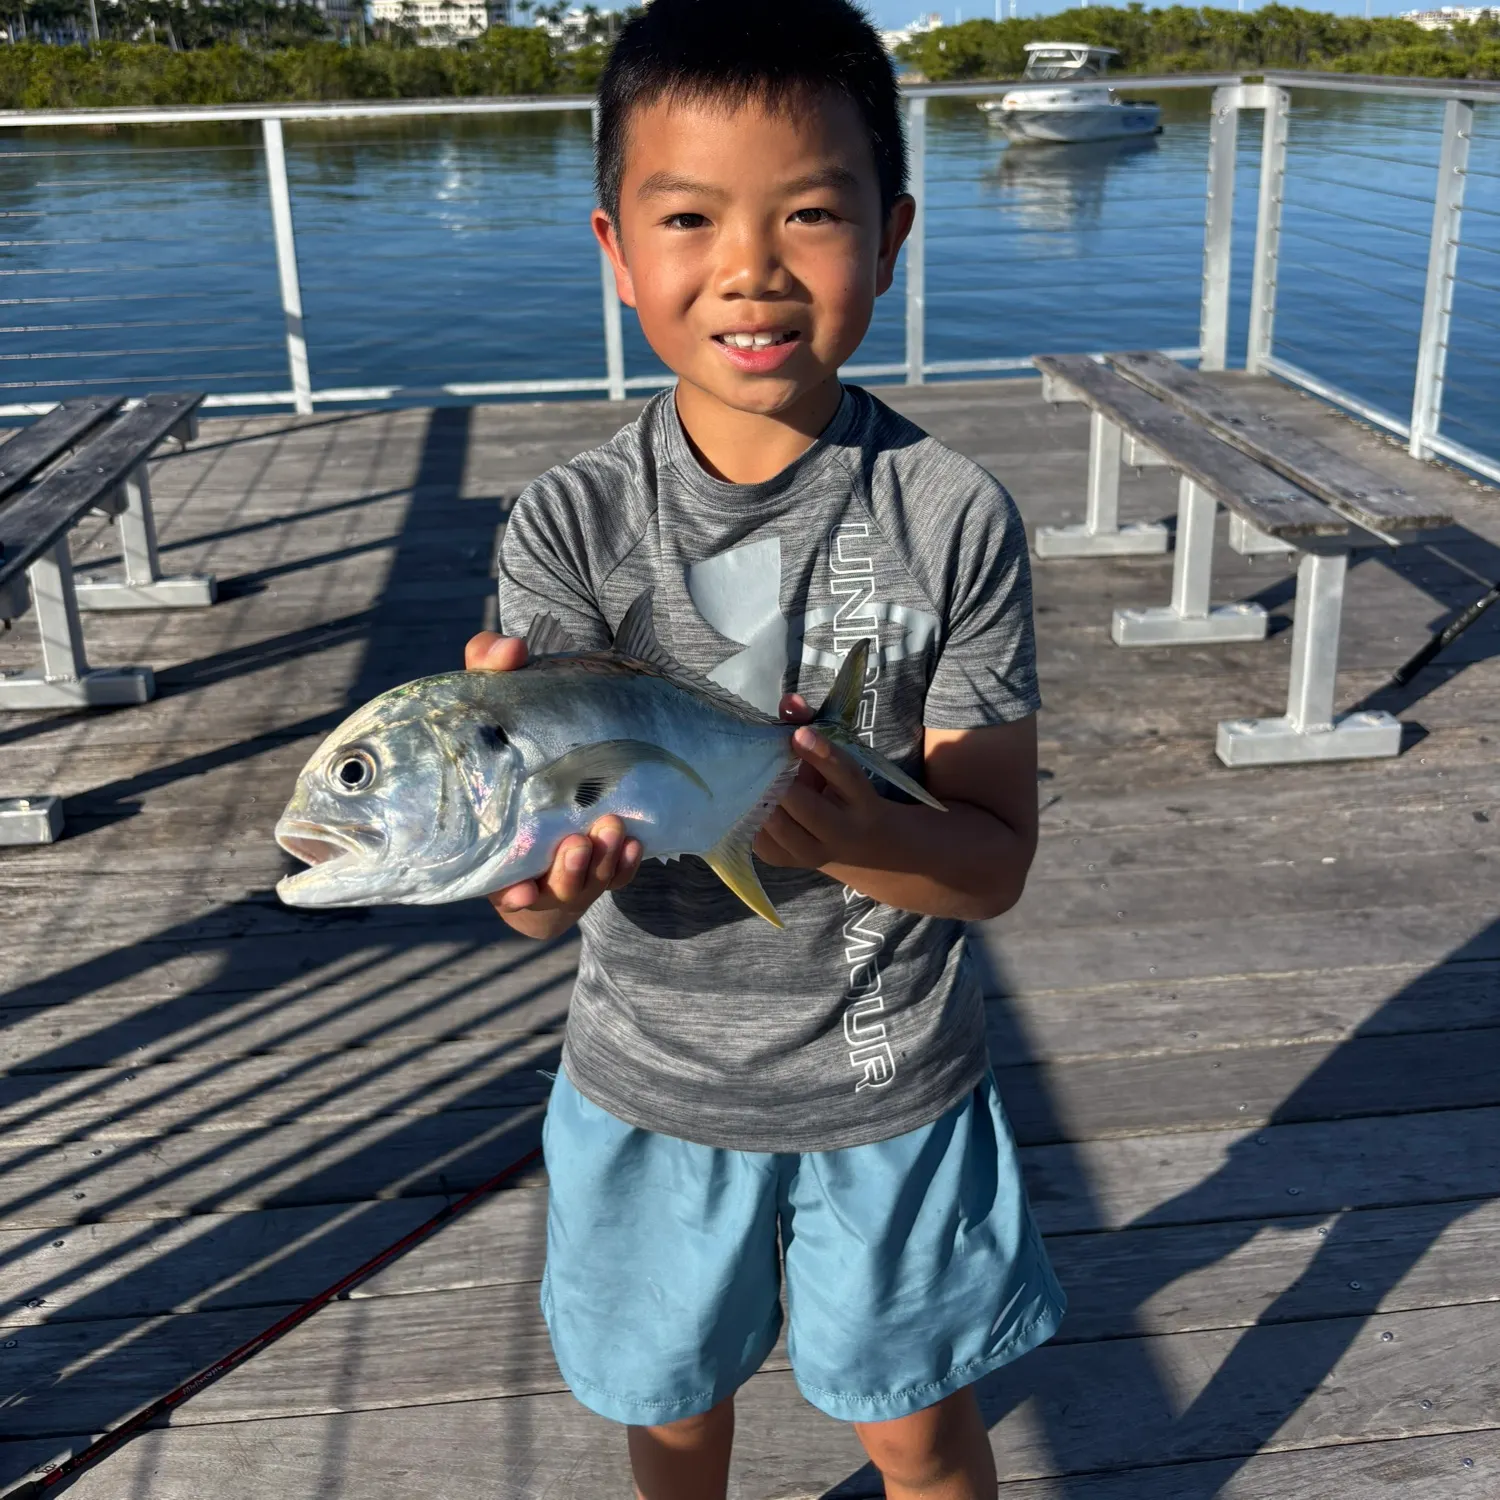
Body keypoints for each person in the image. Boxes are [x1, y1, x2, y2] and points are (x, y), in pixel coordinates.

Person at [464, 2, 1064, 1494]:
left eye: (811, 211)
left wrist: (847, 827)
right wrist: (538, 868)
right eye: (689, 217)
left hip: (894, 1085)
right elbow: (534, 900)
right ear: (615, 250)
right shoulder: (573, 526)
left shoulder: (950, 515)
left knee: (922, 1435)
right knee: (673, 1419)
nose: (751, 267)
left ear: (894, 229)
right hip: (647, 1085)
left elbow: (988, 869)